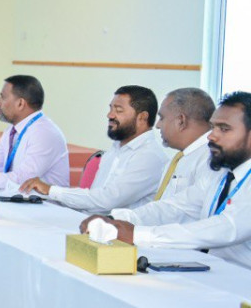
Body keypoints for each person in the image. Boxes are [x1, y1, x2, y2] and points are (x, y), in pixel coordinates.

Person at [81, 91, 251, 271]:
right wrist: (116, 219)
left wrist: (137, 234)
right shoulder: (220, 173)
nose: (211, 135)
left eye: (224, 129)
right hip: (216, 272)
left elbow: (225, 228)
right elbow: (176, 206)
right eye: (213, 127)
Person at [20, 86, 167, 214]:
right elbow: (92, 200)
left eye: (118, 110)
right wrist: (45, 195)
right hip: (91, 223)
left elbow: (106, 201)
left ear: (142, 117)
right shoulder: (116, 149)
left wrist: (52, 191)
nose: (110, 115)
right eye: (110, 108)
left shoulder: (149, 156)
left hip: (119, 239)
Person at [150, 87, 215, 202]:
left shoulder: (210, 160)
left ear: (181, 121)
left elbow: (187, 209)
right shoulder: (180, 158)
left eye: (162, 118)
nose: (158, 125)